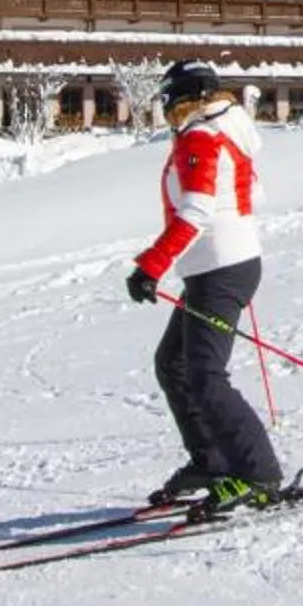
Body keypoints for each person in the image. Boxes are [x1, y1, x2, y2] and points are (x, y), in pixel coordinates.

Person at [124, 60, 288, 515]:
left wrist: (151, 266)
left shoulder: (200, 136)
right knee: (173, 364)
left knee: (204, 374)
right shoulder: (222, 130)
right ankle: (212, 461)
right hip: (218, 266)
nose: (165, 109)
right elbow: (250, 195)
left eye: (167, 98)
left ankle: (257, 473)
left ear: (184, 97)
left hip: (221, 269)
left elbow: (196, 212)